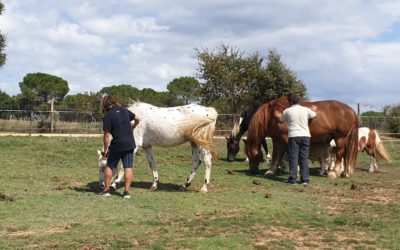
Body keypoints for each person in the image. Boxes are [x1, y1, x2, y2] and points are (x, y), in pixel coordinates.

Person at [99, 95, 140, 198]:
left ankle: (107, 190)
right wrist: (133, 127)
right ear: (114, 101)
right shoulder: (125, 110)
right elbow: (138, 119)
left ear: (105, 104)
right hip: (130, 144)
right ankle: (126, 193)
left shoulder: (108, 115)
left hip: (117, 145)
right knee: (128, 167)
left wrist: (105, 149)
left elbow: (107, 135)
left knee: (110, 166)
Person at [274, 95, 317, 185]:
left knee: (293, 157)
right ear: (299, 101)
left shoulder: (287, 111)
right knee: (304, 158)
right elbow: (314, 115)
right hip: (305, 136)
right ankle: (305, 180)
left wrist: (278, 116)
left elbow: (281, 120)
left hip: (293, 136)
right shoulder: (305, 109)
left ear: (290, 102)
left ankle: (292, 179)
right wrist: (313, 110)